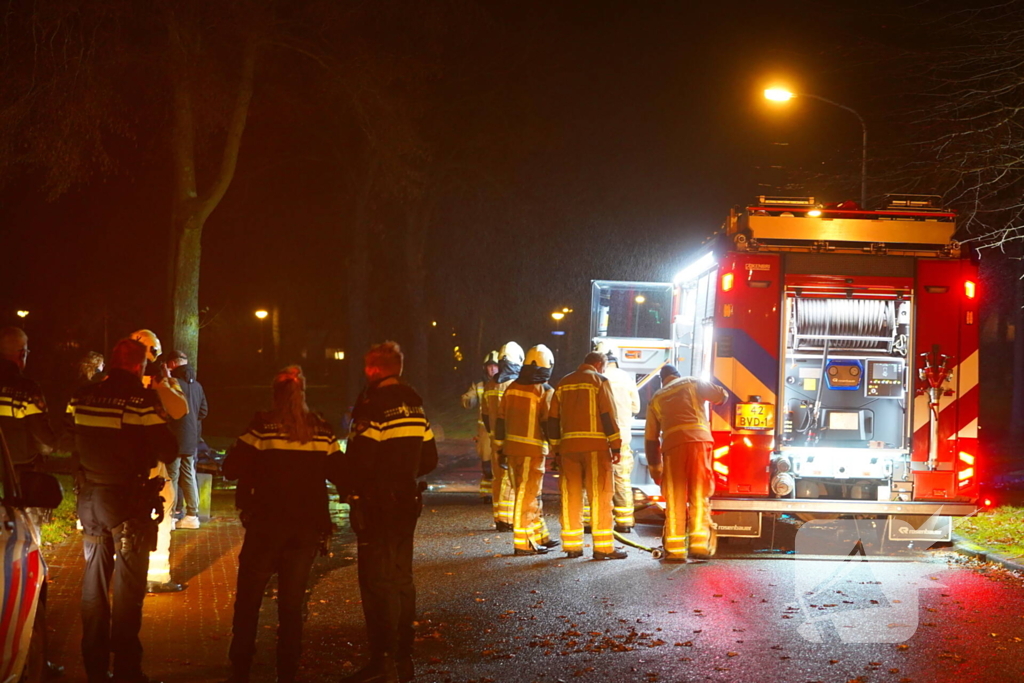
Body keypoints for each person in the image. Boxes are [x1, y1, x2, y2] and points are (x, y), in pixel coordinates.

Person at [68, 338, 178, 683]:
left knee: (94, 582)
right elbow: (169, 449)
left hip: (90, 500)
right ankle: (128, 668)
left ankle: (95, 666)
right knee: (129, 589)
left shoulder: (81, 396)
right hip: (128, 501)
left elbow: (72, 438)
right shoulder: (140, 400)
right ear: (138, 365)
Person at [222, 366, 339, 683]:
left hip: (265, 527)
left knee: (248, 601)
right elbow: (340, 471)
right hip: (305, 529)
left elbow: (231, 468)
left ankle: (241, 667)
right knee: (291, 605)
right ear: (304, 394)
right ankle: (287, 670)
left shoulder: (261, 426)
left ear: (274, 394)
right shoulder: (322, 429)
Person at [333, 342, 438, 683]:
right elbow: (430, 459)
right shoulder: (415, 405)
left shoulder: (373, 407)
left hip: (377, 504)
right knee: (402, 579)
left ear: (375, 370)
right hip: (407, 501)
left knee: (376, 583)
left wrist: (346, 480)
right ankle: (405, 657)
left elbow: (360, 460)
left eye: (367, 367)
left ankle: (381, 660)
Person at [0, 327, 63, 678]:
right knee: (29, 576)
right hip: (18, 489)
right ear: (22, 353)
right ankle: (30, 654)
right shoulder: (26, 389)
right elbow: (45, 440)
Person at [644, 364, 727, 562]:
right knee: (699, 493)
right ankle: (699, 547)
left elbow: (651, 439)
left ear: (662, 381)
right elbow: (720, 396)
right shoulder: (691, 382)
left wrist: (656, 471)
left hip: (673, 448)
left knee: (675, 498)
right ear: (677, 375)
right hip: (699, 442)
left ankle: (674, 550)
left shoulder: (656, 398)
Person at [547, 352, 626, 560]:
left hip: (568, 449)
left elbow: (552, 419)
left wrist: (555, 448)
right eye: (604, 366)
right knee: (600, 496)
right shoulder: (600, 381)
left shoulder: (563, 383)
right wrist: (616, 446)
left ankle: (572, 547)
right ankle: (603, 549)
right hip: (596, 448)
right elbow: (608, 415)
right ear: (599, 364)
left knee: (571, 496)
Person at [129, 330, 188, 594]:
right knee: (161, 514)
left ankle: (137, 575)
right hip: (147, 463)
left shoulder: (158, 380)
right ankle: (155, 577)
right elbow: (178, 410)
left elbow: (179, 409)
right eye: (154, 352)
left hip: (130, 463)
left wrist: (161, 383)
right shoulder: (159, 380)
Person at [494, 344, 559, 556]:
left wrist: (500, 448)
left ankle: (540, 536)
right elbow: (548, 424)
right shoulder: (544, 391)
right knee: (528, 495)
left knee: (528, 494)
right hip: (533, 451)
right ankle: (524, 543)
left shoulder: (512, 388)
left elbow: (500, 421)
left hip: (511, 450)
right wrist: (557, 449)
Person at [0, 327, 59, 472]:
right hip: (19, 463)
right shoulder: (27, 388)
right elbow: (41, 431)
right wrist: (56, 445)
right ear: (22, 354)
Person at [479, 342, 523, 532]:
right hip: (511, 439)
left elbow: (486, 415)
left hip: (495, 439)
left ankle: (499, 517)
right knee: (509, 479)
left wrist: (491, 434)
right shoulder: (514, 385)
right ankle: (507, 520)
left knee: (498, 478)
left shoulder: (490, 385)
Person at [162, 350, 208, 530]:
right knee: (189, 474)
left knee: (171, 476)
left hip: (174, 436)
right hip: (191, 437)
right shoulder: (197, 386)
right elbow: (203, 412)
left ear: (172, 364)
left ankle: (170, 515)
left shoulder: (174, 385)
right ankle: (192, 515)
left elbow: (165, 409)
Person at [600, 347, 641, 533]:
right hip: (622, 438)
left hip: (600, 438)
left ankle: (587, 521)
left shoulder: (597, 378)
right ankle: (624, 522)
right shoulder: (626, 378)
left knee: (594, 479)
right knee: (621, 479)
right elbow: (636, 408)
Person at [460, 351, 499, 501]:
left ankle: (499, 493)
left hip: (501, 431)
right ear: (485, 368)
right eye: (490, 366)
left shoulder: (506, 384)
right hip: (485, 433)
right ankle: (487, 493)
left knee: (501, 464)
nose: (492, 369)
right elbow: (468, 397)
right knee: (487, 466)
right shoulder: (480, 386)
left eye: (495, 366)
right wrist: (468, 400)